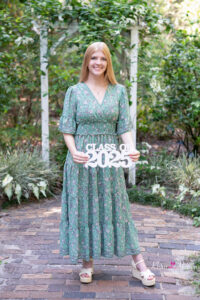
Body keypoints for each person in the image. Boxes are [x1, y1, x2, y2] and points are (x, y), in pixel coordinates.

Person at [58, 41, 156, 286]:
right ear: (87, 62)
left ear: (108, 62)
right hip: (81, 160)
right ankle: (87, 263)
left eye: (103, 58)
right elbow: (67, 128)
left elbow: (123, 126)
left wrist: (130, 148)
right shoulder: (75, 91)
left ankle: (138, 263)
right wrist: (74, 151)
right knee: (84, 208)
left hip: (109, 159)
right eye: (93, 58)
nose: (98, 62)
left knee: (119, 208)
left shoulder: (118, 91)